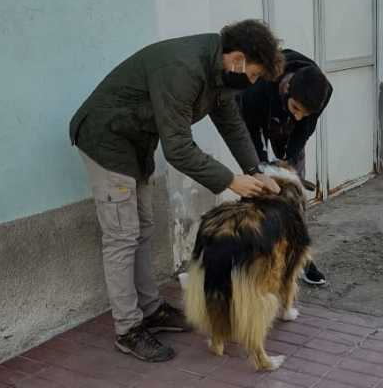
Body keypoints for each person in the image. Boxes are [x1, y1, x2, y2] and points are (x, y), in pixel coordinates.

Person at [68, 19, 284, 362]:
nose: (252, 83)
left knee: (143, 229)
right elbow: (179, 149)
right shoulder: (183, 69)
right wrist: (230, 180)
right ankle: (128, 329)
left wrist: (256, 170)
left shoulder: (219, 75)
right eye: (255, 75)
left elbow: (231, 123)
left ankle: (151, 311)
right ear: (238, 59)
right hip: (106, 139)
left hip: (134, 143)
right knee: (123, 235)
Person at [236, 49, 333, 286]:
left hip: (286, 128)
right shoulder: (259, 87)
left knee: (294, 198)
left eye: (305, 112)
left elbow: (304, 129)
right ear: (288, 91)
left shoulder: (322, 91)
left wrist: (287, 164)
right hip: (255, 120)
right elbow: (250, 132)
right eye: (296, 108)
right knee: (259, 194)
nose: (299, 116)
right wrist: (260, 168)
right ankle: (253, 257)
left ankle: (301, 258)